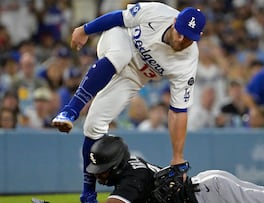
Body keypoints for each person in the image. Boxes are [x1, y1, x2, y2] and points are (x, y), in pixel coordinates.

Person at [51, 2, 206, 203]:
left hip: (134, 76)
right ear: (175, 21)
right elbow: (118, 17)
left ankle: (88, 194)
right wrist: (84, 29)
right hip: (120, 38)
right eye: (180, 32)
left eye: (189, 38)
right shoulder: (159, 13)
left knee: (94, 125)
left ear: (199, 38)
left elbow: (178, 110)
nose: (182, 39)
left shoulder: (187, 61)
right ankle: (70, 110)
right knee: (120, 54)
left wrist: (178, 156)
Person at [87, 135, 264, 203]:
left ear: (118, 164)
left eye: (104, 169)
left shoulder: (131, 178)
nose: (99, 175)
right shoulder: (128, 170)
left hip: (212, 194)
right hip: (206, 189)